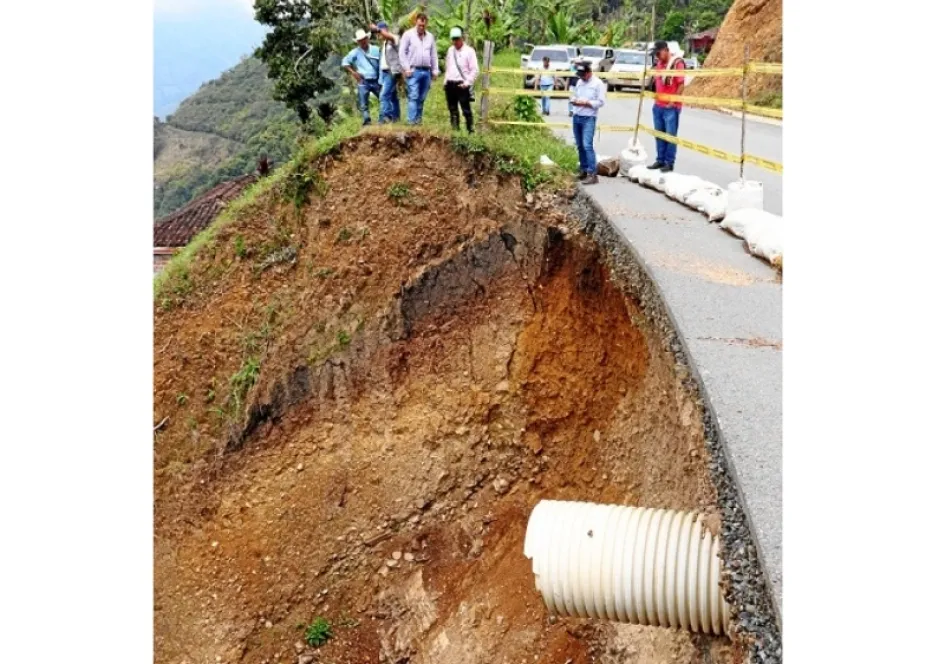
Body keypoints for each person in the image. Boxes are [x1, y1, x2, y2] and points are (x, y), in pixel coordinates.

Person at [647, 40, 687, 173]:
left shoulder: (677, 63)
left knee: (670, 135)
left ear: (665, 50)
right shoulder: (659, 63)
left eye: (658, 53)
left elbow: (681, 84)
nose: (657, 56)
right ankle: (660, 160)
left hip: (670, 107)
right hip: (658, 105)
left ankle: (669, 162)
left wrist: (673, 101)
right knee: (659, 134)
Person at [569, 60, 606, 185]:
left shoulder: (598, 84)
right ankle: (583, 170)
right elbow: (574, 95)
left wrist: (587, 103)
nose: (582, 77)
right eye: (580, 75)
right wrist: (574, 101)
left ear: (589, 72)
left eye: (583, 75)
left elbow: (601, 102)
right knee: (579, 145)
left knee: (587, 145)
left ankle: (592, 173)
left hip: (588, 118)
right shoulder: (579, 82)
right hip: (577, 116)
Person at [398, 12, 439, 125]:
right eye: (419, 25)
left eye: (423, 25)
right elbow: (402, 53)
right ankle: (411, 123)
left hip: (426, 71)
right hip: (413, 70)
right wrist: (406, 68)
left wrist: (435, 70)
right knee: (413, 96)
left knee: (422, 98)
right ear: (416, 22)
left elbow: (433, 54)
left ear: (426, 24)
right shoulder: (408, 35)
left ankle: (418, 121)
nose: (421, 27)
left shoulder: (430, 36)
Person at [342, 29, 382, 126]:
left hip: (376, 79)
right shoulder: (355, 52)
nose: (363, 41)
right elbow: (344, 62)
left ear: (367, 38)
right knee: (363, 104)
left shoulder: (376, 49)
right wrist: (354, 73)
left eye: (364, 39)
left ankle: (383, 118)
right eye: (360, 40)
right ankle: (367, 121)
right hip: (363, 81)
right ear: (358, 42)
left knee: (382, 98)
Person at [443, 27, 479, 133]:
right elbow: (448, 67)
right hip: (450, 84)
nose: (455, 41)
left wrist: (467, 83)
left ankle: (470, 131)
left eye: (457, 39)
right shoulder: (450, 50)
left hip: (462, 84)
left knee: (466, 110)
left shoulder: (469, 51)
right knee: (452, 110)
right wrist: (445, 81)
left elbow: (475, 70)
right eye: (453, 39)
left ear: (462, 38)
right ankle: (455, 131)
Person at [372, 21, 402, 123]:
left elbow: (389, 37)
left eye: (380, 32)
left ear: (385, 30)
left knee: (384, 95)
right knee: (393, 96)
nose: (379, 35)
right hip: (384, 73)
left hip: (391, 72)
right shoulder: (384, 43)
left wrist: (378, 29)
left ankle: (386, 117)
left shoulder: (394, 38)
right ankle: (396, 118)